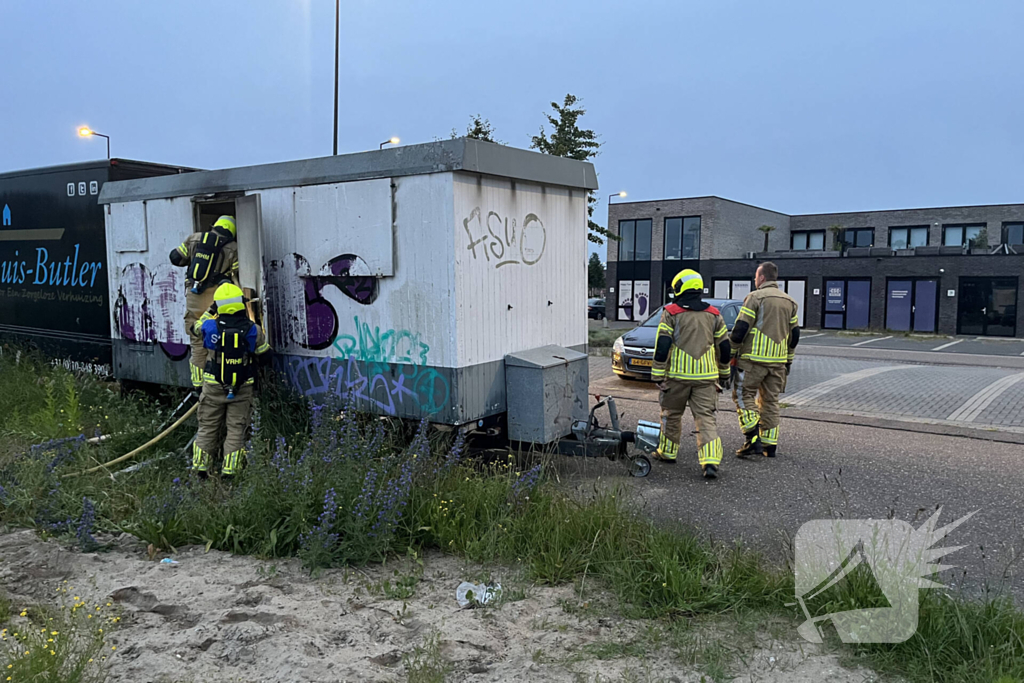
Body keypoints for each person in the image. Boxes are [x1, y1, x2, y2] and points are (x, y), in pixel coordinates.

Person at [651, 268, 732, 479]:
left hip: (677, 377)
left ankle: (667, 452)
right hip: (706, 378)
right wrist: (724, 373)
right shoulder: (715, 314)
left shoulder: (671, 312)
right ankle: (710, 461)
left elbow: (662, 344)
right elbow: (724, 348)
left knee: (671, 414)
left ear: (680, 287)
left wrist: (658, 374)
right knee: (706, 417)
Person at [191, 282, 270, 478]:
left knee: (208, 427)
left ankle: (201, 469)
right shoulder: (253, 330)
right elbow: (264, 354)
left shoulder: (210, 327)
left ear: (219, 306)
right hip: (242, 387)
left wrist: (211, 310)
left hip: (213, 386)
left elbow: (194, 328)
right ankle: (230, 471)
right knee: (237, 428)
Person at [729, 262, 800, 458]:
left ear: (761, 278)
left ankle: (752, 438)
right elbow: (795, 335)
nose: (754, 280)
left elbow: (740, 329)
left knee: (743, 396)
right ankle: (770, 445)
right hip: (778, 362)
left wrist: (730, 352)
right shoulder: (790, 302)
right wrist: (788, 360)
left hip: (753, 360)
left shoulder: (755, 297)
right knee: (770, 401)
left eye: (755, 277)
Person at [169, 216, 240, 388]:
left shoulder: (194, 239)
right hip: (216, 303)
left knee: (197, 342)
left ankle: (199, 387)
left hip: (194, 300)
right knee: (219, 340)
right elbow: (238, 275)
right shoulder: (234, 248)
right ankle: (219, 383)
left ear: (215, 226)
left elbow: (175, 258)